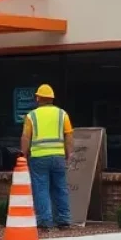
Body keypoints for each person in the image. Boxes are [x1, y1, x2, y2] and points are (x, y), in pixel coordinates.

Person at [20, 84, 73, 230]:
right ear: (52, 98)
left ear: (38, 98)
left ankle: (44, 221)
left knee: (41, 189)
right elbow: (69, 135)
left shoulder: (32, 116)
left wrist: (23, 155)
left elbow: (26, 137)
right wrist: (69, 154)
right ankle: (63, 220)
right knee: (60, 188)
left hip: (38, 158)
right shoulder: (63, 114)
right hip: (58, 157)